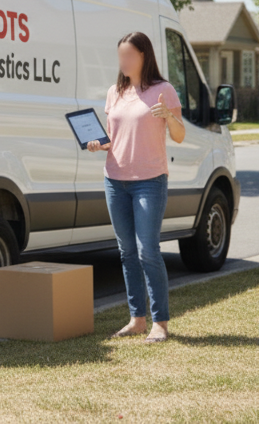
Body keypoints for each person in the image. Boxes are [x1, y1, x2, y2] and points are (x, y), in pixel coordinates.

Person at [85, 31, 185, 343]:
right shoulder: (115, 91)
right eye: (121, 56)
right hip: (115, 180)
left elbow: (180, 136)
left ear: (144, 56)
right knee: (126, 252)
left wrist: (168, 116)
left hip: (149, 182)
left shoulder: (162, 90)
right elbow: (116, 137)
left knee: (148, 251)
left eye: (130, 55)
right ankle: (136, 319)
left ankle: (160, 323)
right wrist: (99, 145)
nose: (124, 61)